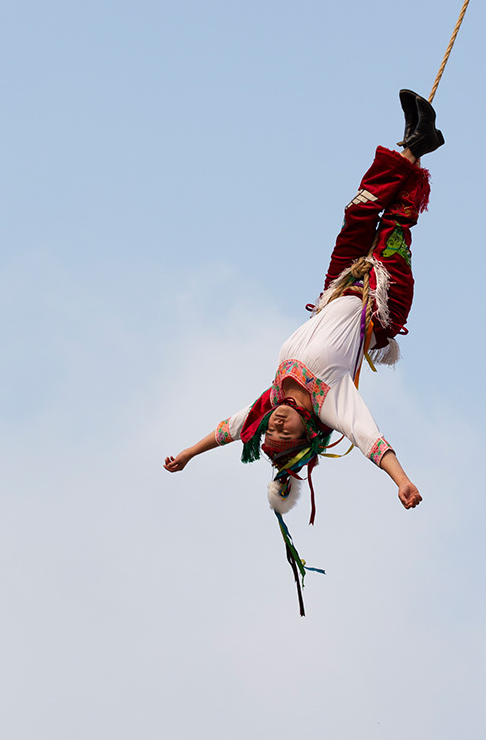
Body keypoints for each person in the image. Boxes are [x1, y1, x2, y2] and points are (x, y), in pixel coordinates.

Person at [163, 90, 444, 519]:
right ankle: (416, 148)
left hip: (337, 287)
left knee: (358, 213)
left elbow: (228, 431)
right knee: (394, 223)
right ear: (307, 434)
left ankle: (414, 143)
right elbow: (370, 439)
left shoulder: (270, 398)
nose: (275, 425)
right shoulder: (330, 404)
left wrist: (186, 454)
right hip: (381, 302)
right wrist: (402, 480)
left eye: (271, 431)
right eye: (285, 434)